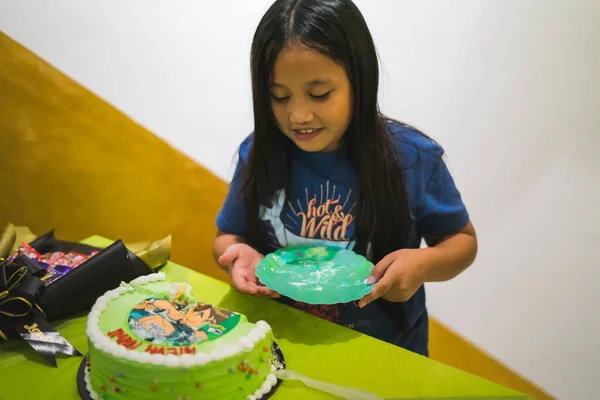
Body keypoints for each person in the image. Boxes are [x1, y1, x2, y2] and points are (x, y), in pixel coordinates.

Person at [212, 0, 477, 356]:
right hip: (282, 347)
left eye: (319, 94)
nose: (298, 114)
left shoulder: (413, 159)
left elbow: (462, 241)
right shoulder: (260, 151)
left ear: (359, 79)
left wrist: (423, 264)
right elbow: (228, 235)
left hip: (387, 354)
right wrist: (237, 253)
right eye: (278, 96)